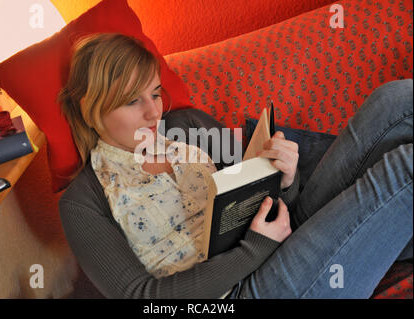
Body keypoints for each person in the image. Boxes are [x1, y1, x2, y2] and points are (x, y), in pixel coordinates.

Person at [58, 33, 413, 298]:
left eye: (154, 93)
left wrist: (285, 181)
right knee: (406, 167)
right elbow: (143, 298)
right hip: (238, 295)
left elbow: (262, 195)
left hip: (281, 244)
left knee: (394, 101)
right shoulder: (83, 201)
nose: (153, 112)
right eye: (132, 101)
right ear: (92, 107)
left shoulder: (188, 126)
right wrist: (254, 250)